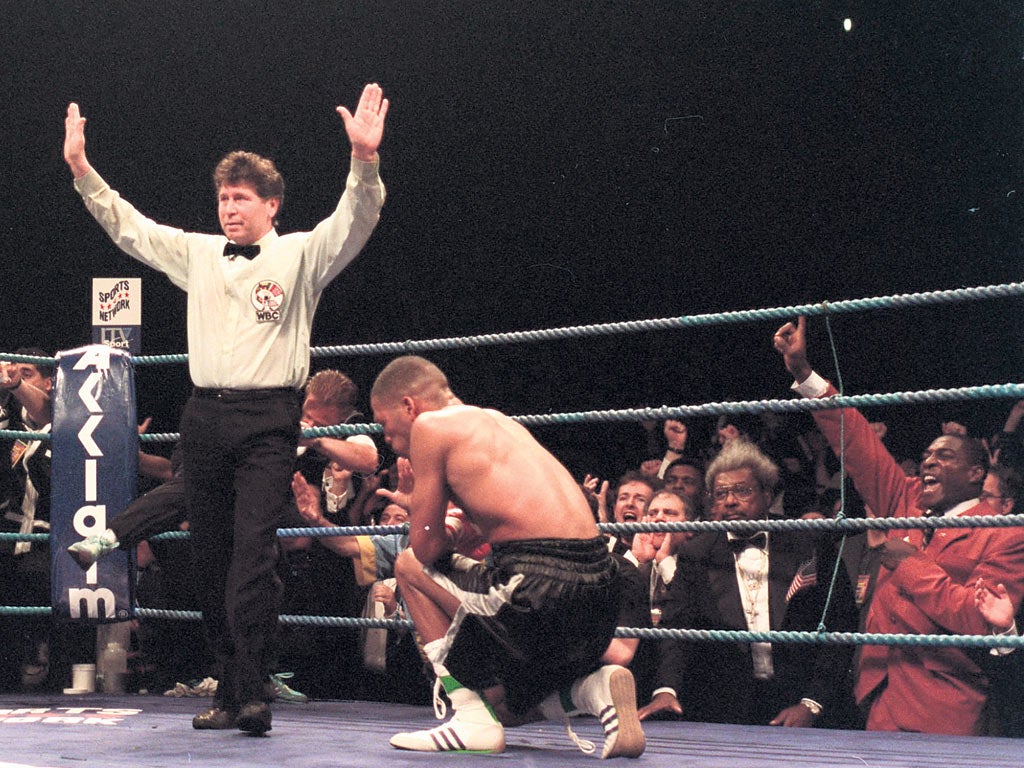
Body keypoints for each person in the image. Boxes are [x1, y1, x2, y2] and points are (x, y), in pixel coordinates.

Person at [63, 84, 389, 735]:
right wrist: (82, 172)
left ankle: (256, 688)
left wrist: (364, 163)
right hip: (204, 417)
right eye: (223, 197)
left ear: (271, 205)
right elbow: (132, 228)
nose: (229, 207)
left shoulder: (299, 254)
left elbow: (353, 222)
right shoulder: (200, 254)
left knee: (253, 555)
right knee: (210, 561)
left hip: (270, 421)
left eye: (241, 197)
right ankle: (231, 689)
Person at [369, 355, 645, 758]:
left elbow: (425, 550)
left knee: (408, 566)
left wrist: (419, 511)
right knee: (504, 703)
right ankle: (593, 691)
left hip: (539, 587)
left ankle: (469, 719)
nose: (390, 442)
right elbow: (488, 525)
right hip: (600, 591)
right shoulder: (496, 423)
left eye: (385, 427)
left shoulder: (431, 426)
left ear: (409, 407)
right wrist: (453, 528)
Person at [773, 316, 1024, 735]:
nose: (929, 461)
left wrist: (908, 564)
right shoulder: (903, 500)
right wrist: (804, 373)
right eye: (926, 455)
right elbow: (856, 444)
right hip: (878, 699)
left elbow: (981, 621)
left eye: (945, 456)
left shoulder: (1006, 533)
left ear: (977, 473)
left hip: (948, 709)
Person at [638, 439, 858, 728]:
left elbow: (840, 624)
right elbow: (677, 629)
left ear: (767, 495)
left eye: (742, 491)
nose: (730, 501)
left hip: (806, 700)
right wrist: (666, 690)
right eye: (721, 494)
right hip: (728, 708)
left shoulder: (808, 544)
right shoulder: (696, 553)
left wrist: (812, 703)